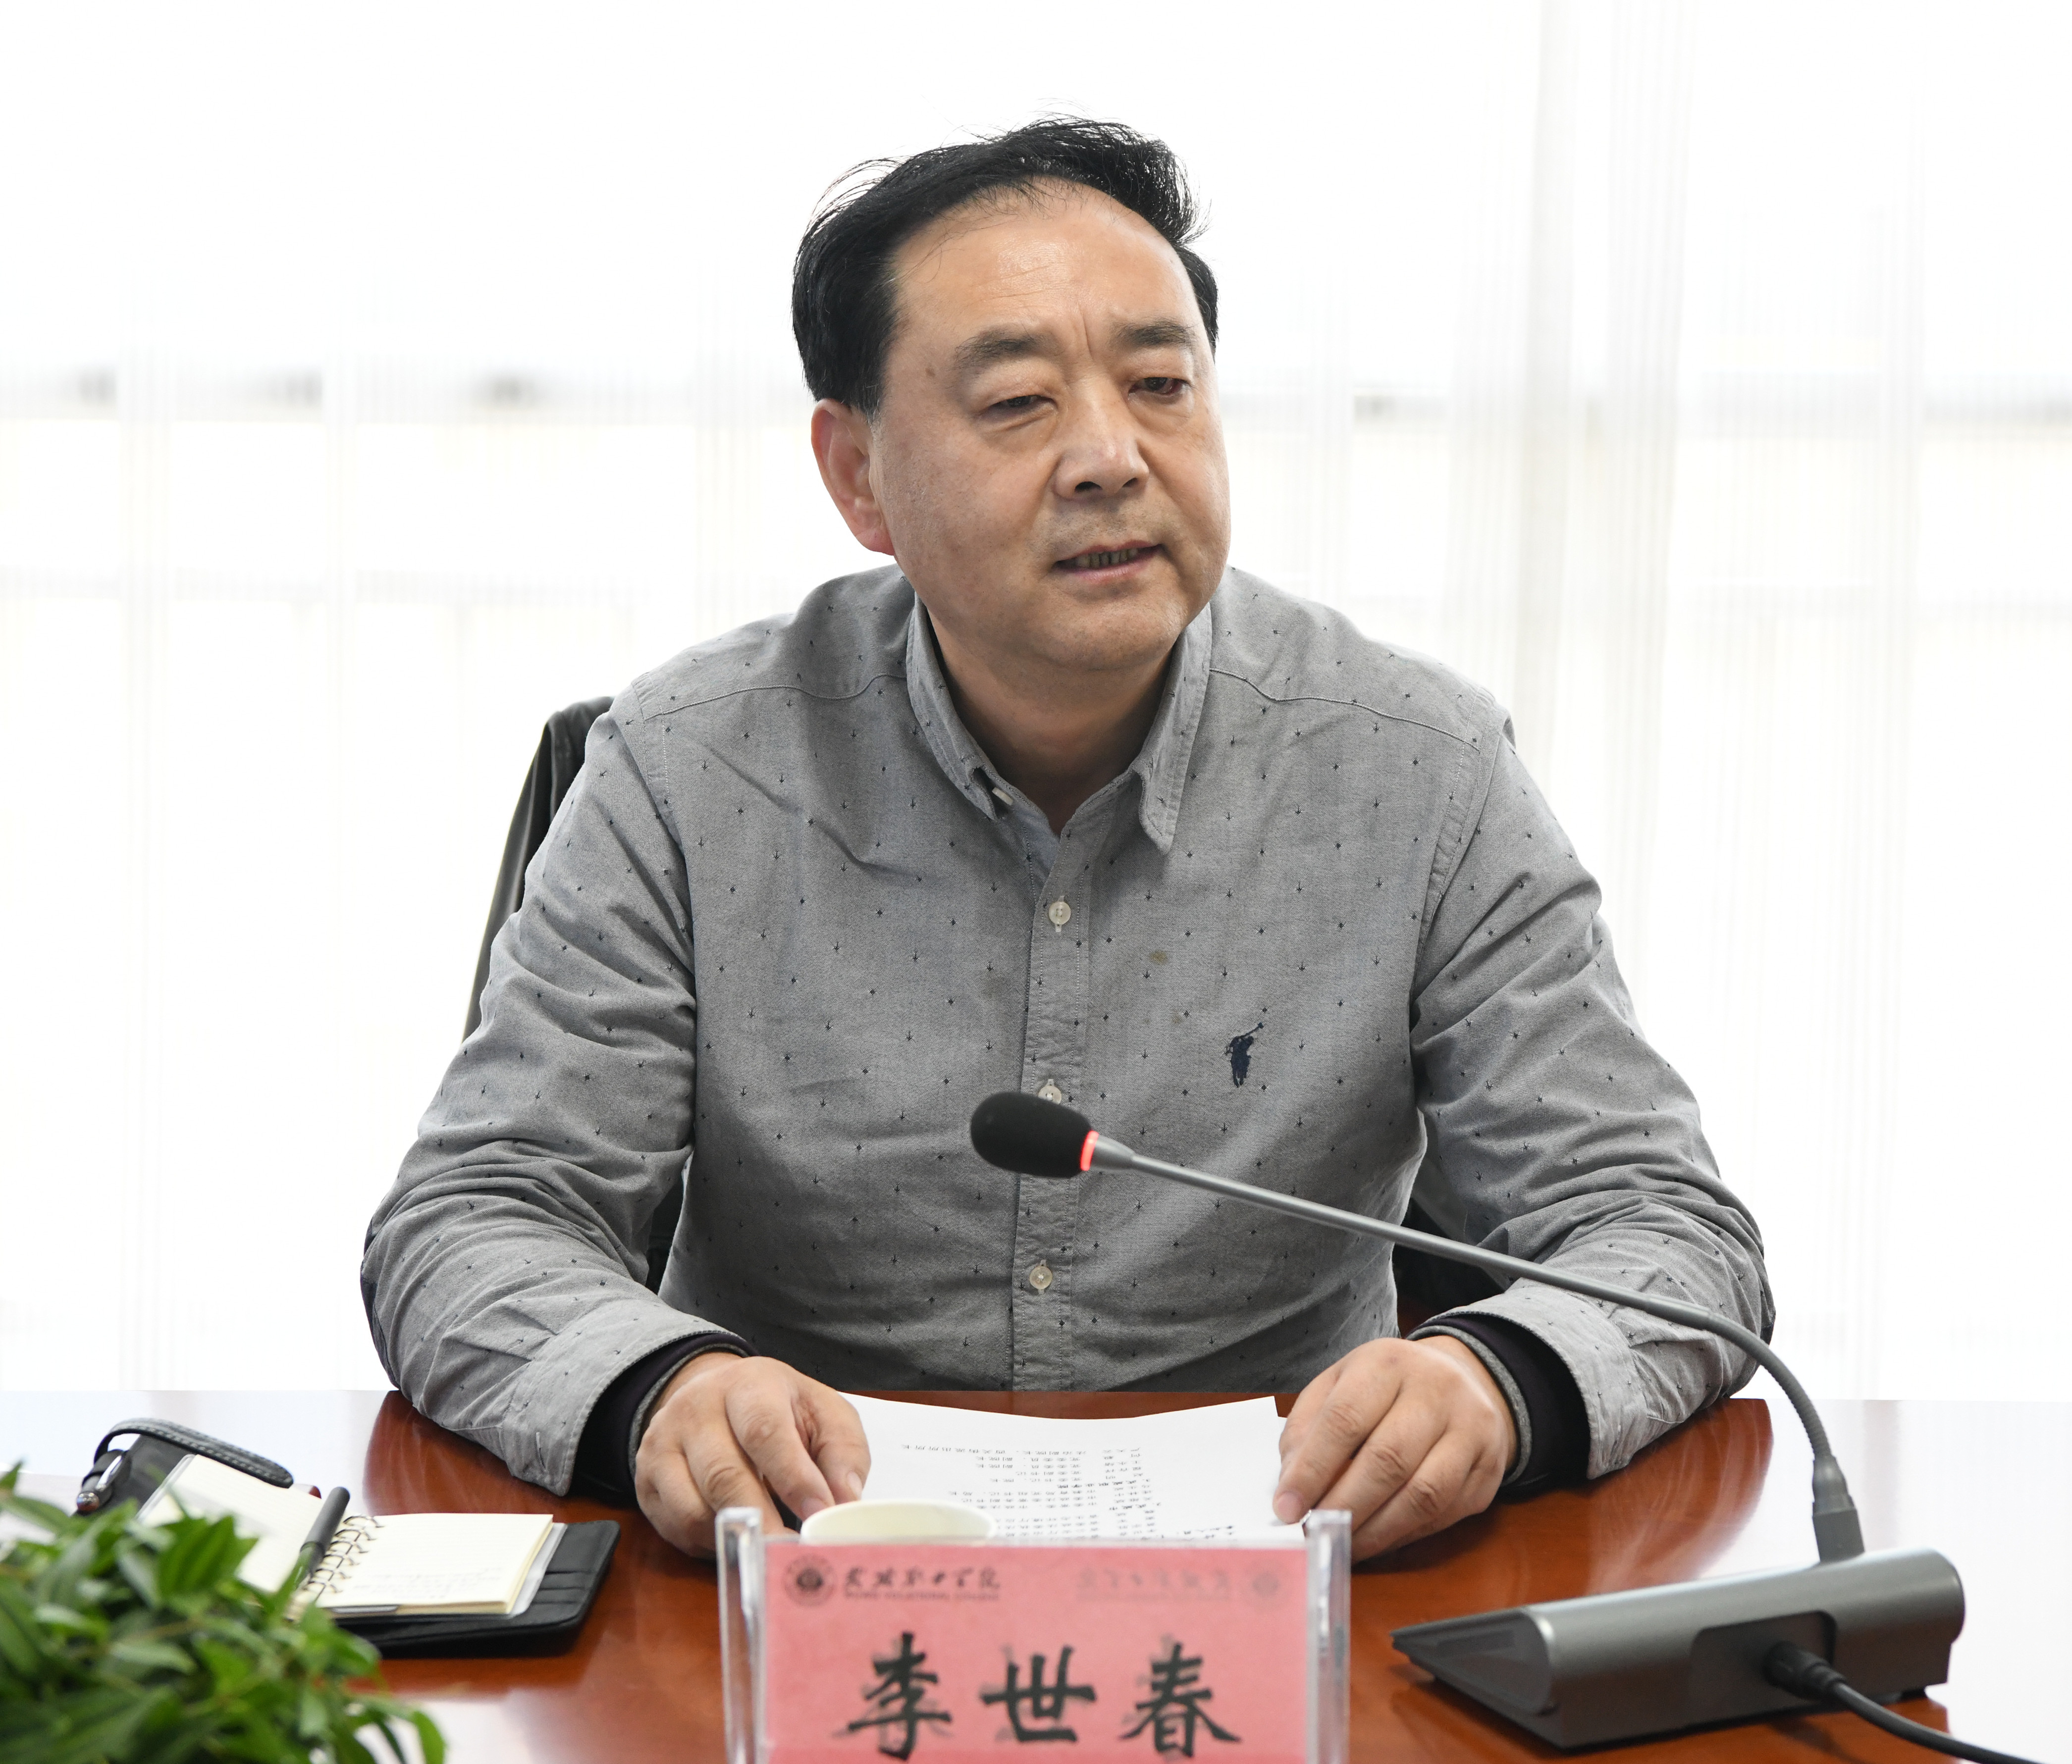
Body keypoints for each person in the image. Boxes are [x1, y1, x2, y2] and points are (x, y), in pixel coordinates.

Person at [362, 118, 1771, 1563]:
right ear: (857, 475)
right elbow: (473, 1219)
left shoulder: (1419, 771)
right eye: (1019, 402)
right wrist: (660, 1390)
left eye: (1161, 386)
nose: (1110, 457)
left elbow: (1662, 1228)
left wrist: (1499, 1378)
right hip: (810, 1572)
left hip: (1285, 1576)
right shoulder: (687, 770)